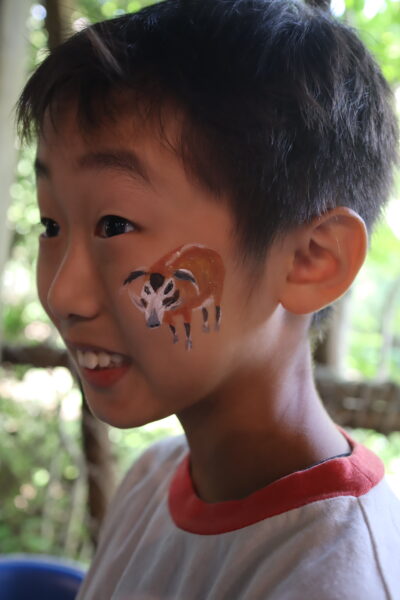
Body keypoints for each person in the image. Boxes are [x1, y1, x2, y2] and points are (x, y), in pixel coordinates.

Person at [17, 0, 400, 598]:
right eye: (50, 225)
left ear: (310, 259)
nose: (61, 293)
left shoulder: (334, 580)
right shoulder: (153, 480)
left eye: (114, 225)